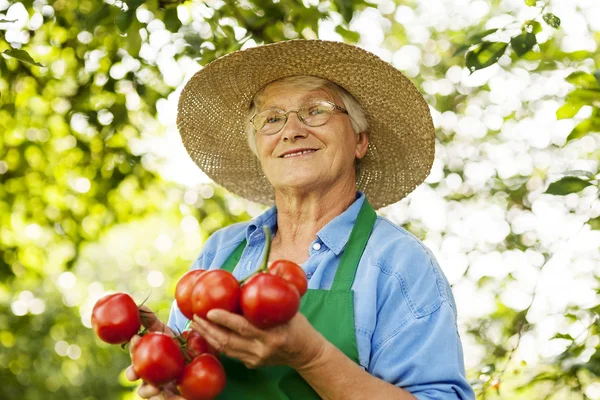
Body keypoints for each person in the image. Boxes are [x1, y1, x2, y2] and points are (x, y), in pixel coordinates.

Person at [126, 40, 476, 400]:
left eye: (316, 111)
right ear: (259, 148)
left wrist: (311, 356)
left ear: (360, 140)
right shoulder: (222, 250)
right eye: (272, 119)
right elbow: (194, 381)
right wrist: (172, 372)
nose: (290, 130)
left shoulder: (399, 264)